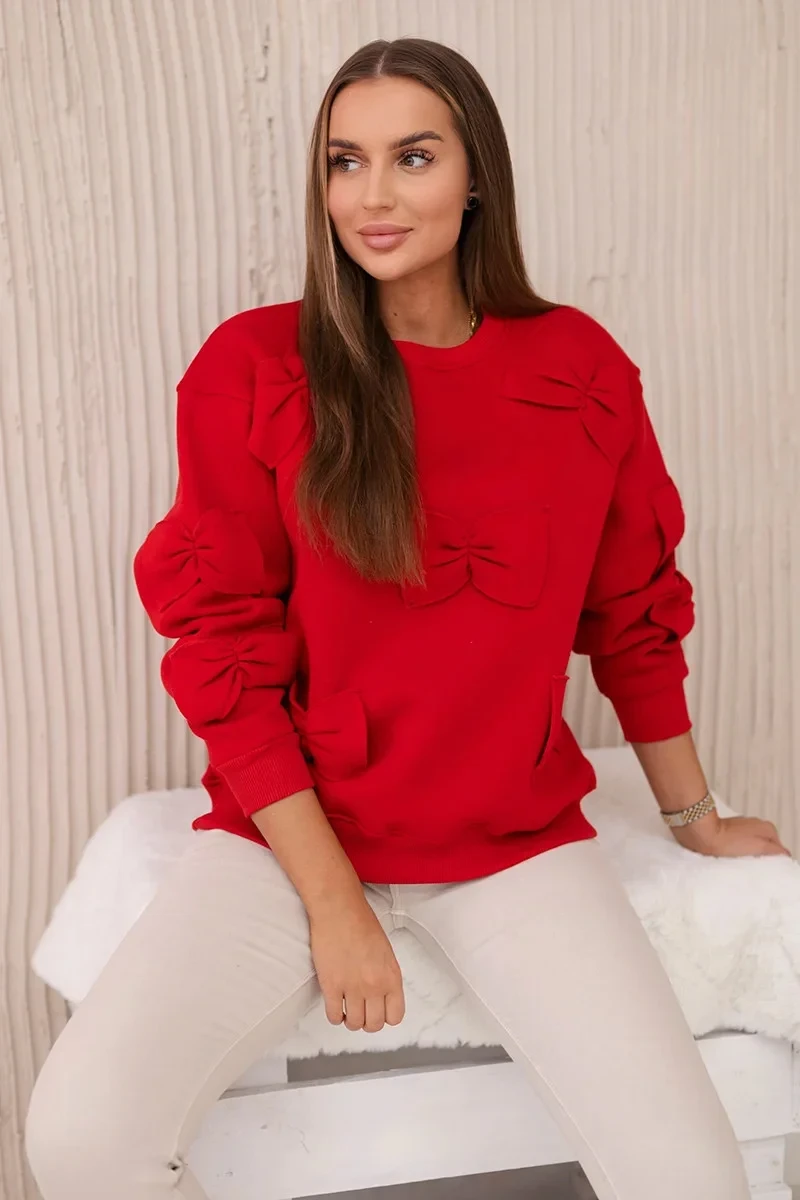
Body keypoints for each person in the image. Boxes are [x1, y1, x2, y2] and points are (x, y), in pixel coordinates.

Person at [26, 36, 789, 1200]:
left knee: (691, 1181)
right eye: (345, 161)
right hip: (289, 839)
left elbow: (631, 613)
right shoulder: (255, 365)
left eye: (412, 157)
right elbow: (221, 648)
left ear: (475, 176)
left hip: (510, 843)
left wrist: (694, 819)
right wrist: (335, 906)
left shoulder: (579, 369)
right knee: (79, 1137)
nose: (371, 196)